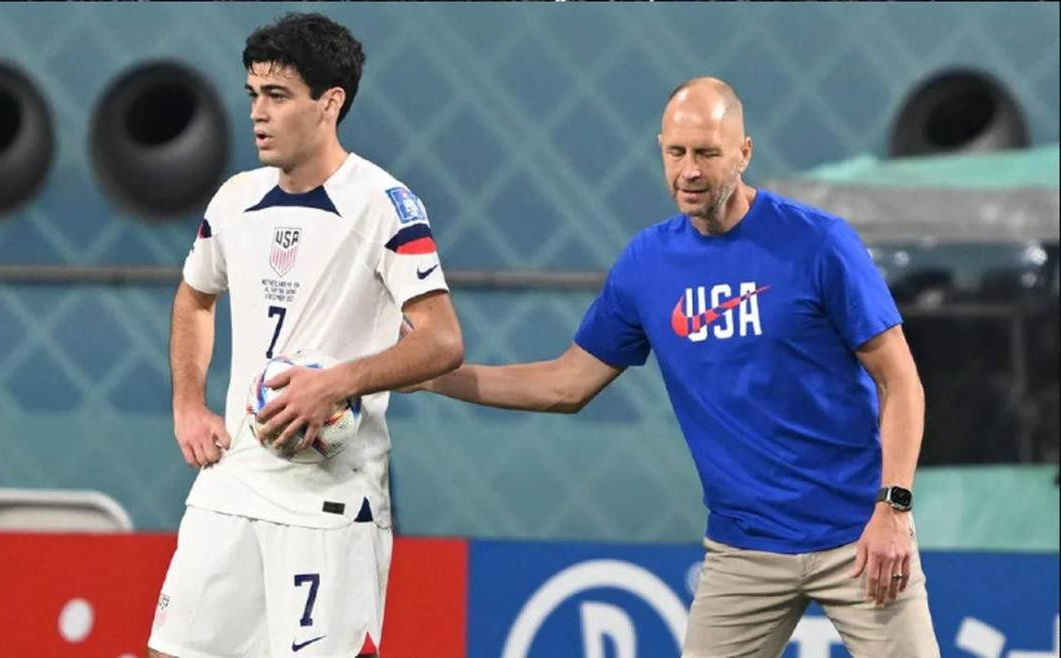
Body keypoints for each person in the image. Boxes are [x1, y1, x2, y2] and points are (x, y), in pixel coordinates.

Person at [407, 77, 939, 656]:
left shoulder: (819, 244)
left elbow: (901, 382)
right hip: (744, 551)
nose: (689, 171)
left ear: (743, 153)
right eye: (676, 152)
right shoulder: (647, 264)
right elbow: (565, 384)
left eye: (708, 153)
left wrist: (894, 507)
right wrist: (433, 374)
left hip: (858, 538)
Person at [150, 13, 464, 658]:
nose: (258, 114)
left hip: (331, 499)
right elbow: (195, 297)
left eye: (278, 96)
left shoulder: (386, 205)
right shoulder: (234, 200)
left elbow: (441, 342)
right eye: (253, 95)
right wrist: (188, 402)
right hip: (233, 479)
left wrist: (338, 382)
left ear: (330, 103)